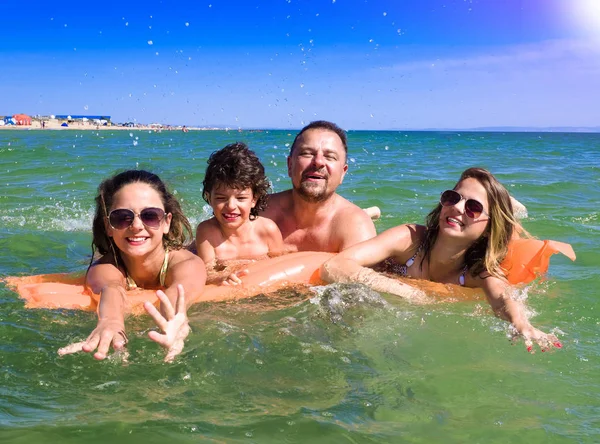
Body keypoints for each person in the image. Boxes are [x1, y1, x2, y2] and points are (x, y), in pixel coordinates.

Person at [321, 167, 562, 352]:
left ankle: (510, 214)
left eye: (473, 207)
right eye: (453, 197)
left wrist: (521, 323)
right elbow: (334, 266)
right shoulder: (410, 239)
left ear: (488, 227)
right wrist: (412, 293)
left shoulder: (476, 273)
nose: (457, 208)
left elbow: (501, 298)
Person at [58, 170, 206, 361]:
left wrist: (176, 320)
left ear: (166, 222)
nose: (136, 226)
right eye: (122, 217)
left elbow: (178, 292)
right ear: (109, 226)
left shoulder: (188, 263)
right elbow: (111, 288)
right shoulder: (103, 267)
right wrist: (111, 322)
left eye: (150, 216)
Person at [262, 120, 377, 252]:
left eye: (330, 156)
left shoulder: (356, 226)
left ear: (343, 173)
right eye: (307, 153)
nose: (318, 162)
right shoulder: (260, 213)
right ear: (290, 165)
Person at [195, 142, 284, 284]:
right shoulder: (207, 233)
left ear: (254, 199)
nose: (231, 206)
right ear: (209, 198)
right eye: (220, 198)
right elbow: (207, 273)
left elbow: (281, 265)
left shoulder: (268, 230)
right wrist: (220, 278)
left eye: (241, 198)